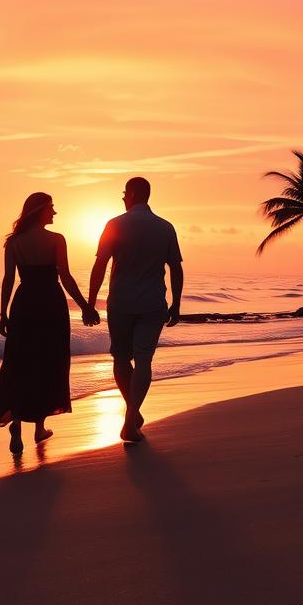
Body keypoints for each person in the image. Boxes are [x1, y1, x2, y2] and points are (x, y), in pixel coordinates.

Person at [0, 191, 100, 454]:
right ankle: (38, 427)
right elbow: (66, 277)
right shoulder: (56, 240)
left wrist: (3, 313)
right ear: (41, 211)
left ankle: (16, 422)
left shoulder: (14, 243)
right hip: (50, 305)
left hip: (24, 305)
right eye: (52, 208)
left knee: (20, 362)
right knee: (48, 361)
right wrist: (85, 307)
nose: (55, 213)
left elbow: (8, 280)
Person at [88, 176, 183, 443]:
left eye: (123, 194)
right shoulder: (165, 227)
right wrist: (177, 302)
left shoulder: (115, 224)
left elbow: (100, 265)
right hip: (153, 303)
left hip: (121, 303)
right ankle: (132, 417)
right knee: (143, 360)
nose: (122, 198)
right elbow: (175, 267)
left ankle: (131, 417)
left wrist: (91, 302)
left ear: (130, 194)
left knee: (120, 358)